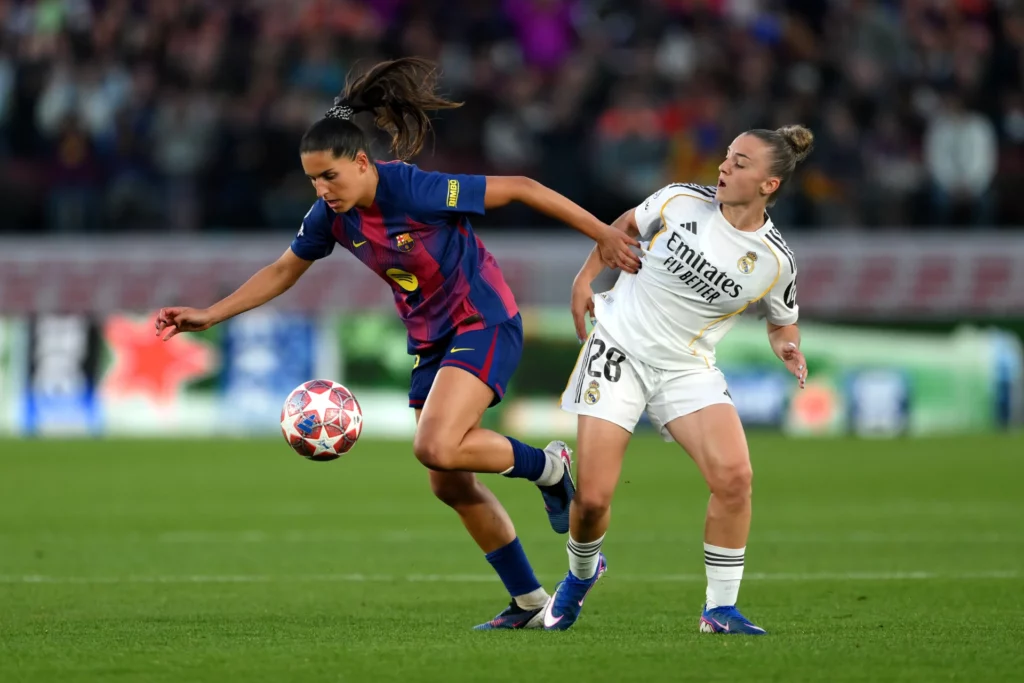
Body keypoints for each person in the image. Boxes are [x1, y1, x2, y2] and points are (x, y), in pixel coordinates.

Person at [153, 57, 641, 630]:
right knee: (450, 483)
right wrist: (211, 314)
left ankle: (549, 467)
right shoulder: (329, 217)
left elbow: (525, 188)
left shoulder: (415, 188)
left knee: (434, 446)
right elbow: (284, 270)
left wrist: (605, 234)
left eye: (330, 176)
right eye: (312, 180)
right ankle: (530, 603)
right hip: (430, 341)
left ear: (362, 162)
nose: (322, 190)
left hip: (481, 319)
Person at [544, 125, 814, 634]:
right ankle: (581, 574)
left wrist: (787, 346)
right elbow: (621, 226)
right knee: (595, 500)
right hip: (619, 347)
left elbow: (782, 320)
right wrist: (585, 280)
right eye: (727, 157)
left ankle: (719, 609)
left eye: (739, 163)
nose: (723, 168)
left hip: (687, 368)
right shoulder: (679, 200)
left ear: (768, 185)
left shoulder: (776, 260)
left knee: (735, 479)